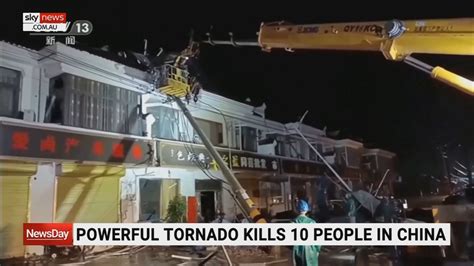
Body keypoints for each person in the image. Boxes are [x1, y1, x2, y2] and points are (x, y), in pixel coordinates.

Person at [292, 200, 321, 266]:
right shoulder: (312, 222)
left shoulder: (293, 223)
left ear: (297, 209)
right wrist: (317, 250)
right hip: (311, 251)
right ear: (307, 209)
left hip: (298, 251)